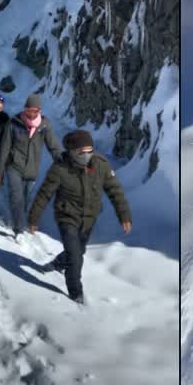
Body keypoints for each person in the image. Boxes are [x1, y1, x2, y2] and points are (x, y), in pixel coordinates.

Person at [28, 130, 132, 304]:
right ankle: (76, 293)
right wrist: (33, 219)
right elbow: (44, 194)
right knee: (76, 256)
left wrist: (124, 216)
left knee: (78, 250)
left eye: (89, 150)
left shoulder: (101, 165)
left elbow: (115, 191)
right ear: (71, 152)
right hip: (66, 216)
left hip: (89, 218)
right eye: (81, 152)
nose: (86, 155)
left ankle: (58, 263)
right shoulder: (59, 169)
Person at [0, 94, 63, 237]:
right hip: (14, 166)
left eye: (35, 111)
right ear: (24, 109)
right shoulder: (14, 123)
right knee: (17, 197)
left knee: (24, 200)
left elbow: (54, 147)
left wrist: (65, 162)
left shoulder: (44, 126)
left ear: (39, 111)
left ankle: (17, 218)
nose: (32, 114)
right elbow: (5, 149)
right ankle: (18, 229)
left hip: (32, 170)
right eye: (29, 111)